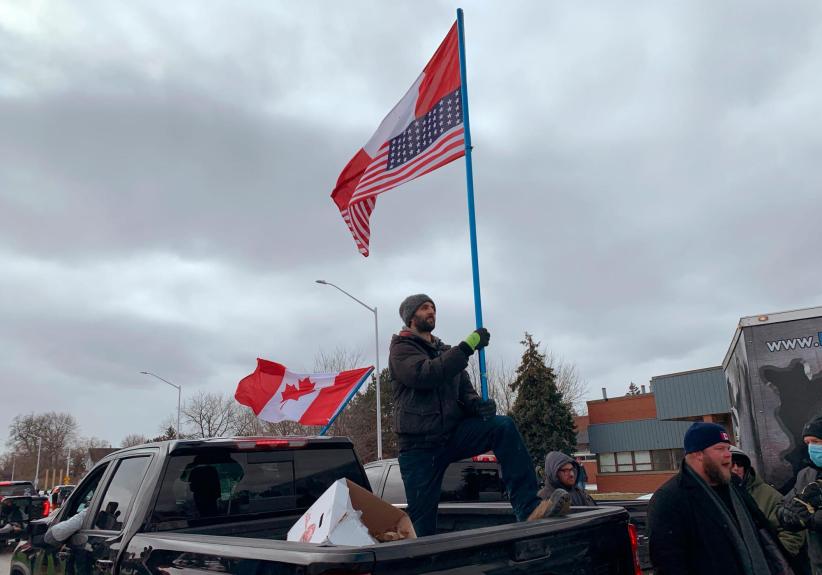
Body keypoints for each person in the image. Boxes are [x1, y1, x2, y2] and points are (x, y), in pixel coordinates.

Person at [389, 294, 570, 537]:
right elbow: (425, 375)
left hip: (451, 437)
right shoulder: (401, 349)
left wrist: (478, 406)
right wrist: (467, 346)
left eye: (433, 307)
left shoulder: (445, 352)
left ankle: (529, 507)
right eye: (424, 308)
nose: (431, 311)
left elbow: (466, 393)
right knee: (422, 528)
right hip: (418, 448)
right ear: (411, 317)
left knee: (502, 427)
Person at [648, 422, 773, 574]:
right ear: (698, 454)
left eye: (728, 448)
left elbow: (762, 533)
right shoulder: (670, 499)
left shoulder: (735, 485)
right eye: (720, 449)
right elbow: (668, 563)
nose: (728, 454)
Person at [731, 445, 806, 560]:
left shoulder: (767, 494)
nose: (736, 468)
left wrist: (774, 559)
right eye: (730, 464)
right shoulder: (713, 498)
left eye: (740, 464)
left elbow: (793, 530)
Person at [777, 414, 822, 574]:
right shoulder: (807, 474)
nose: (811, 448)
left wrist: (814, 518)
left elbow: (815, 519)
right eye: (807, 443)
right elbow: (784, 505)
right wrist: (789, 515)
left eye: (816, 441)